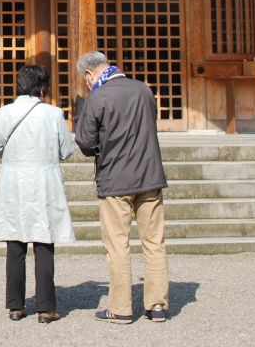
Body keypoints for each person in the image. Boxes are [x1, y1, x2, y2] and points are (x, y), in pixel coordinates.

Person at [74, 51, 169, 324]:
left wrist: (101, 148)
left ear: (89, 74)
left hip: (115, 178)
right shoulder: (144, 90)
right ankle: (157, 306)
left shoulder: (98, 97)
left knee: (118, 245)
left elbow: (85, 142)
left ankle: (121, 308)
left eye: (85, 79)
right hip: (149, 174)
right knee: (154, 243)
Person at [0, 65, 75, 324]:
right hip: (44, 180)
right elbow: (67, 150)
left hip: (13, 181)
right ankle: (46, 308)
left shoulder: (3, 113)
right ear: (43, 89)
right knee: (44, 242)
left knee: (15, 243)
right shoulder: (54, 114)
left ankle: (15, 306)